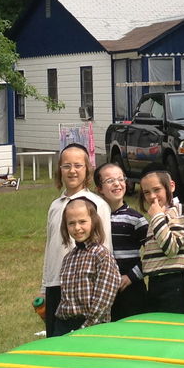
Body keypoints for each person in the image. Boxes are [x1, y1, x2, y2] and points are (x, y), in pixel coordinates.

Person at [42, 144, 113, 330]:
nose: (72, 171)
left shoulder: (97, 205)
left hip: (84, 290)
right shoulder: (55, 206)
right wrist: (45, 286)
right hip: (55, 285)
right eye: (66, 166)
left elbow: (106, 249)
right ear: (60, 169)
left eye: (78, 165)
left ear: (87, 169)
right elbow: (50, 248)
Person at [51, 194, 119, 336]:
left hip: (92, 328)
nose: (77, 228)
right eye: (71, 223)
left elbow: (103, 301)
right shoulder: (68, 259)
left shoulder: (102, 256)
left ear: (93, 222)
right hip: (64, 325)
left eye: (82, 222)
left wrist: (85, 329)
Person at [93, 162, 147, 321]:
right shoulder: (94, 219)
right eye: (110, 181)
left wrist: (131, 277)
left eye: (120, 179)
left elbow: (152, 255)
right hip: (102, 289)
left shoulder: (136, 219)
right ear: (99, 189)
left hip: (130, 289)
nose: (117, 183)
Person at [138, 170, 184, 313]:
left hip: (174, 282)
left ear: (171, 186)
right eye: (147, 192)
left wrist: (156, 217)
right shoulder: (161, 213)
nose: (152, 196)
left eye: (157, 190)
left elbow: (171, 247)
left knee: (173, 330)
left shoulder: (178, 211)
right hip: (156, 281)